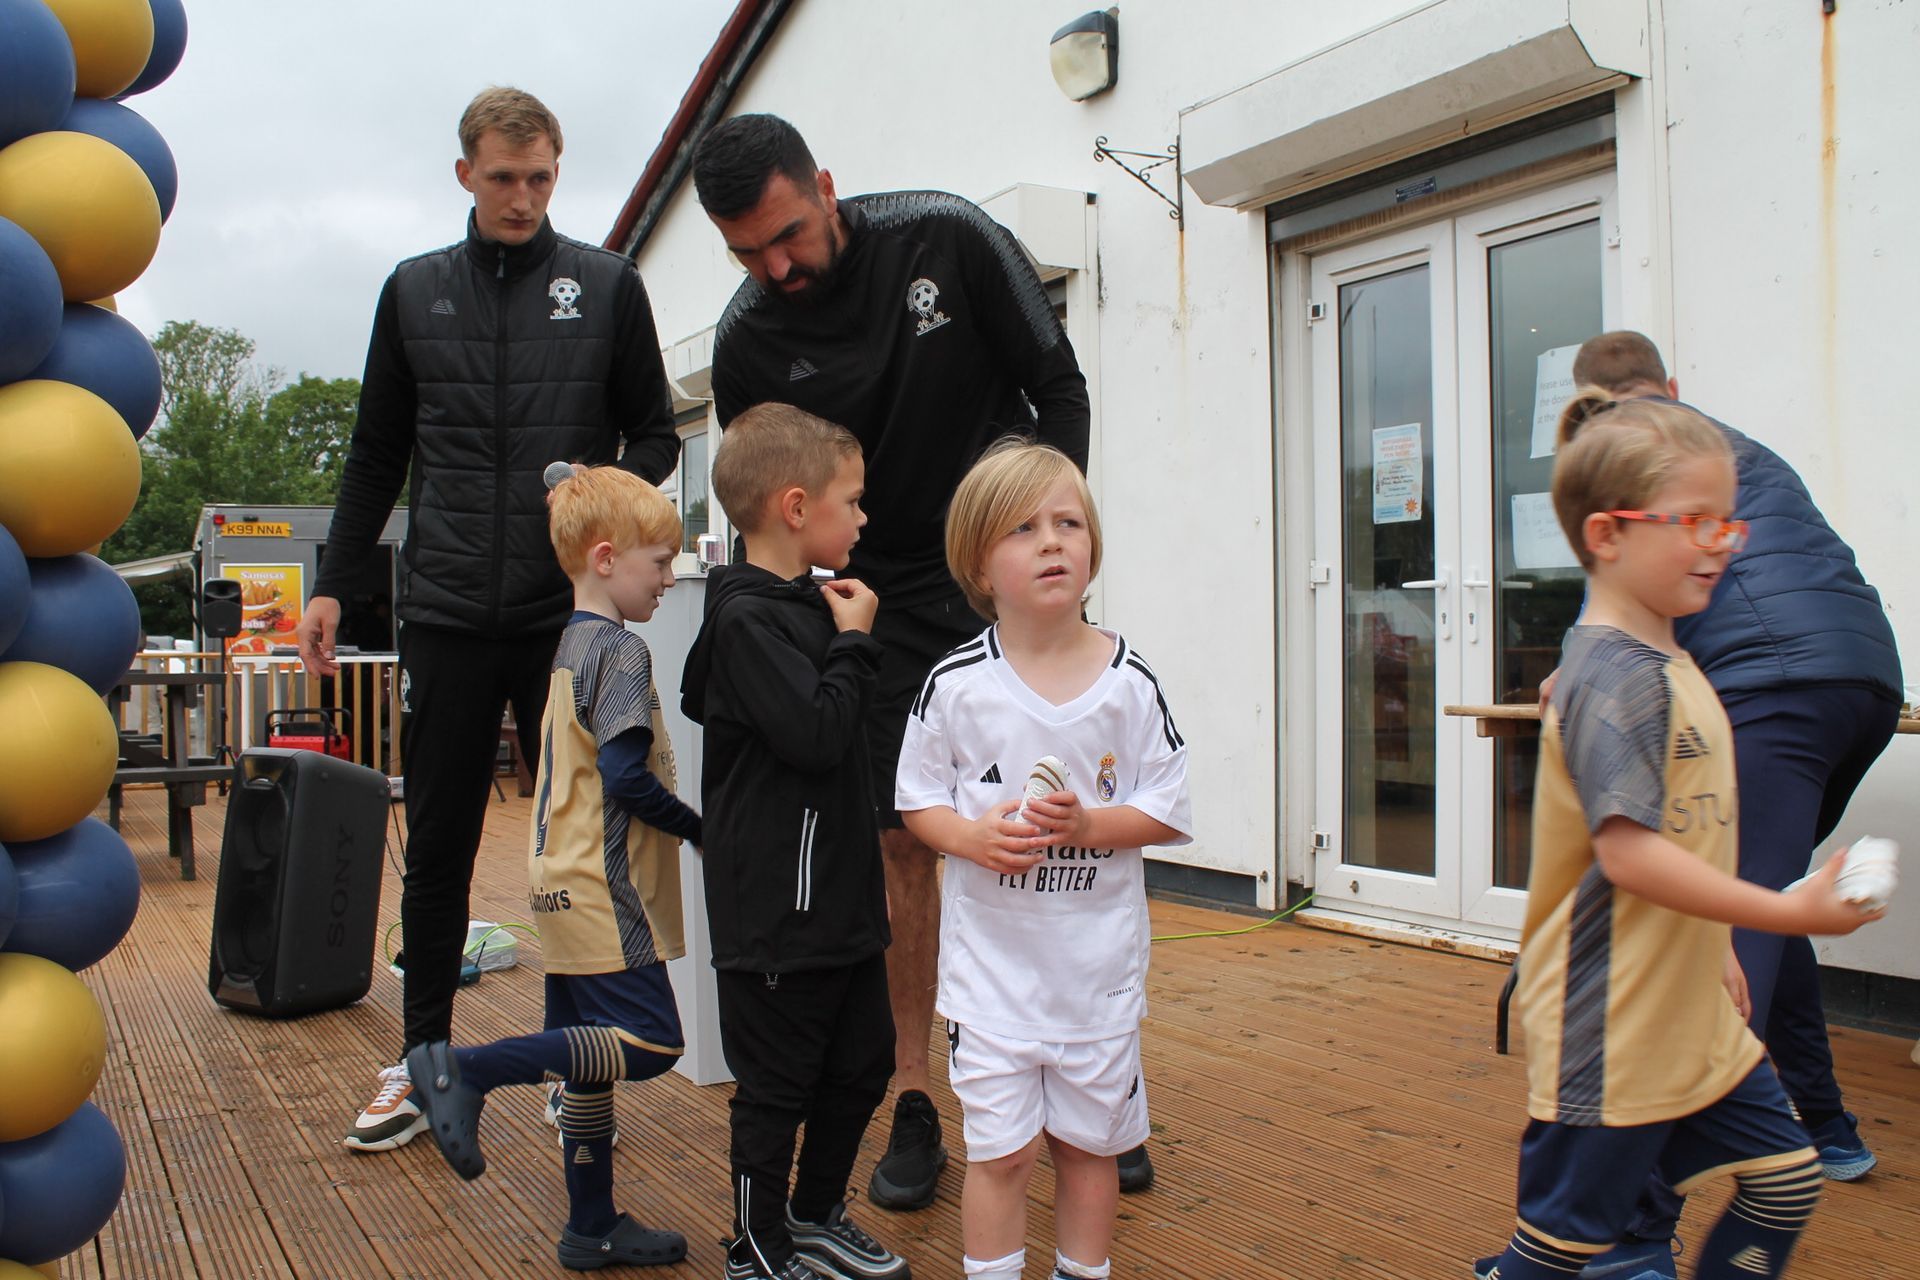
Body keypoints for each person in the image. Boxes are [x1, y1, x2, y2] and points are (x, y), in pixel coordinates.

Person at [691, 112, 1125, 1212]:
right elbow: (770, 508)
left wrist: (1041, 545)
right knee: (902, 845)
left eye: (788, 235)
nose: (775, 268)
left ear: (826, 187)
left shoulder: (949, 237)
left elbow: (1059, 387)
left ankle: (1091, 1084)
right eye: (747, 253)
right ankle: (918, 1095)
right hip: (870, 606)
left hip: (992, 571)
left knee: (1052, 817)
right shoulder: (746, 343)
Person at [295, 86, 682, 1153]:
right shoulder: (413, 290)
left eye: (540, 177)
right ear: (465, 173)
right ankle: (423, 1059)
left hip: (568, 620)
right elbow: (376, 452)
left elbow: (658, 433)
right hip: (449, 611)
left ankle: (573, 1060)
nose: (522, 197)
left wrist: (597, 489)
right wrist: (333, 583)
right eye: (504, 178)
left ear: (557, 172)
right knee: (440, 846)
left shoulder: (607, 286)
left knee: (581, 847)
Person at [1516, 332, 1904, 1279]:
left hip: (1685, 1010)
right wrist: (1786, 912)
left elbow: (1708, 844)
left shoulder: (1685, 668)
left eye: (1729, 523)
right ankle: (1624, 1249)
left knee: (1784, 1182)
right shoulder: (1621, 679)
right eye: (1697, 522)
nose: (1726, 544)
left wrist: (1725, 941)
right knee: (1564, 1248)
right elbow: (1632, 855)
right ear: (1607, 535)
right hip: (1612, 1026)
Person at [895, 439, 1193, 1280]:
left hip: (1097, 984)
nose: (1052, 541)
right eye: (1023, 528)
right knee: (1001, 1155)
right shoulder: (956, 685)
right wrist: (971, 837)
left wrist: (1090, 825)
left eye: (1069, 523)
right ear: (978, 565)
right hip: (991, 984)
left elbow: (1166, 810)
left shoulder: (1131, 682)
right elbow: (917, 801)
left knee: (1089, 1152)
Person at [404, 465, 695, 1271]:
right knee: (649, 1043)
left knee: (587, 1060)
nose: (669, 579)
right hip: (606, 884)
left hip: (554, 878)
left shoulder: (569, 644)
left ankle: (591, 1223)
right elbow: (627, 780)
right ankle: (465, 1069)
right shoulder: (621, 651)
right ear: (605, 559)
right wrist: (703, 830)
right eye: (659, 562)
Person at [679, 404, 909, 1280]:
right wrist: (855, 646)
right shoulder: (747, 619)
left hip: (841, 902)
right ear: (797, 506)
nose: (863, 518)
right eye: (853, 501)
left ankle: (812, 1215)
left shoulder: (802, 606)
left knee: (864, 1063)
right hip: (777, 911)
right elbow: (814, 734)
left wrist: (839, 635)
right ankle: (757, 1249)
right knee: (777, 1089)